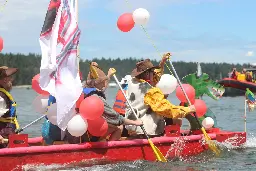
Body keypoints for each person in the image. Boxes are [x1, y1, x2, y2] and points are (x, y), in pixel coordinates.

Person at [125, 58, 196, 138]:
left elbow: (155, 77)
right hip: (146, 131)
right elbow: (165, 109)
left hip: (133, 128)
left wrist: (162, 63)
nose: (155, 74)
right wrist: (188, 109)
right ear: (147, 74)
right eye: (152, 72)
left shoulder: (131, 82)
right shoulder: (150, 90)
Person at [85, 62, 143, 141]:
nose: (104, 84)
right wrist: (136, 122)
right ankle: (108, 151)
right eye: (103, 81)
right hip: (92, 134)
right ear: (99, 83)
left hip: (86, 131)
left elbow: (101, 89)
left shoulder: (86, 92)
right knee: (119, 127)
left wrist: (108, 76)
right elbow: (116, 117)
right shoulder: (97, 99)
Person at [0, 66, 19, 148]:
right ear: (4, 80)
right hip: (3, 137)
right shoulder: (1, 97)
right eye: (10, 77)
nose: (11, 80)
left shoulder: (3, 95)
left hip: (7, 135)